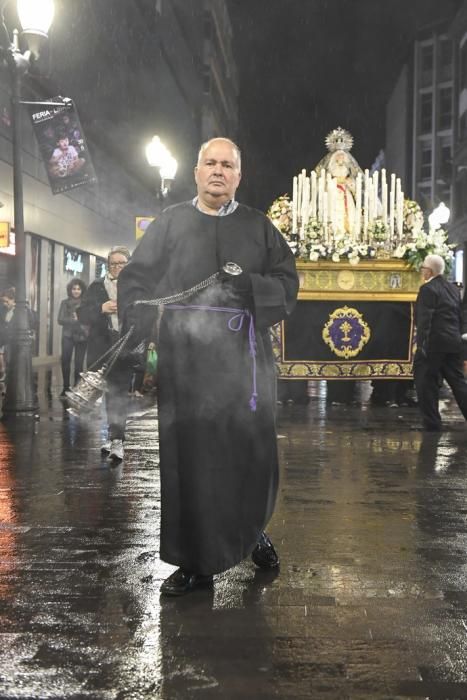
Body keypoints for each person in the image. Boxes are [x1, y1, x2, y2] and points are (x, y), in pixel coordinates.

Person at [118, 137, 299, 596]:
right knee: (193, 462)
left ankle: (251, 530)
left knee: (249, 455)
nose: (218, 171)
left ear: (240, 175)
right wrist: (137, 311)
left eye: (228, 165)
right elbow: (136, 277)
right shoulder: (170, 223)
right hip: (187, 364)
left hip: (246, 365)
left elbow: (287, 283)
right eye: (210, 163)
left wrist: (250, 287)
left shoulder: (260, 228)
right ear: (196, 172)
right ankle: (197, 561)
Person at [78, 247, 131, 461]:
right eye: (113, 264)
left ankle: (117, 440)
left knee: (118, 393)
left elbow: (148, 313)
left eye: (121, 263)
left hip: (125, 346)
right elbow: (82, 314)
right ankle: (111, 436)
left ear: (128, 265)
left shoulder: (136, 287)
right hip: (101, 348)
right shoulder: (96, 287)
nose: (117, 267)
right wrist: (102, 308)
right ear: (107, 265)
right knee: (103, 393)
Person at [413, 254, 467, 431]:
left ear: (429, 271)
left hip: (434, 344)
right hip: (453, 343)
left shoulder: (427, 289)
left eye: (423, 269)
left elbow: (425, 320)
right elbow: (459, 316)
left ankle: (432, 423)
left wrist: (421, 345)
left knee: (426, 382)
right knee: (458, 383)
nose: (422, 272)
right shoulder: (452, 289)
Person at [57, 278, 88, 396]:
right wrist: (76, 320)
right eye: (74, 289)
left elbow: (89, 320)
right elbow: (60, 319)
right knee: (65, 361)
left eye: (78, 289)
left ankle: (77, 387)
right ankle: (65, 388)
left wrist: (79, 320)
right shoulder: (65, 303)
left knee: (79, 363)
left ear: (82, 290)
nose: (76, 291)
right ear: (70, 290)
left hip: (82, 336)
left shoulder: (86, 303)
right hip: (68, 336)